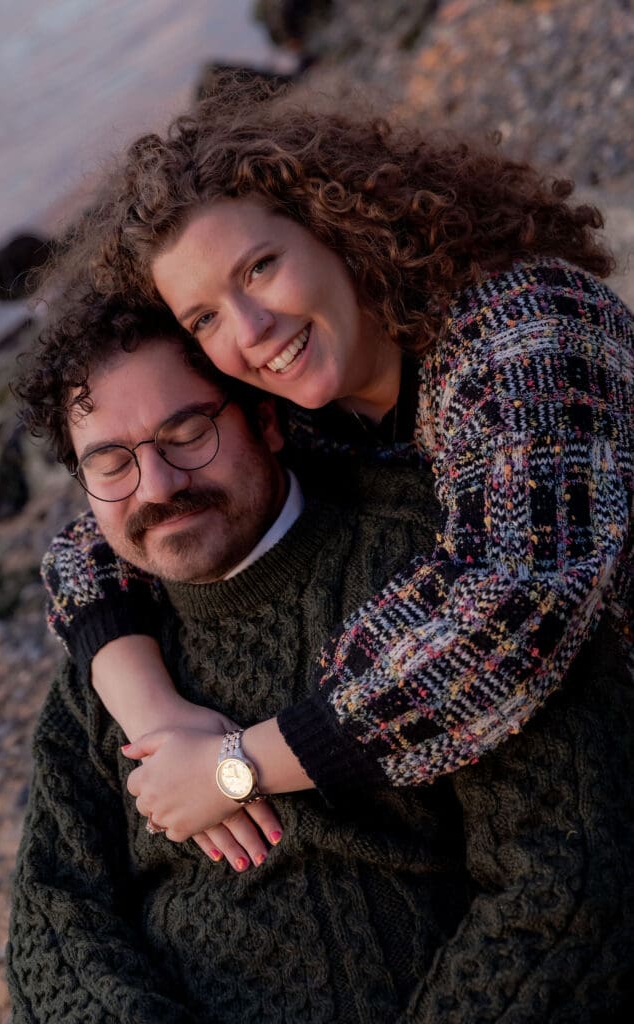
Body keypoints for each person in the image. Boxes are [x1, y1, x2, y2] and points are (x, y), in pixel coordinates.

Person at [37, 80, 633, 845]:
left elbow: (504, 618)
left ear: (336, 226)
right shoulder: (296, 402)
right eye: (205, 317)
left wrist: (231, 767)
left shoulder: (523, 330)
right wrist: (154, 710)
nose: (252, 329)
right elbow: (101, 536)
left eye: (259, 268)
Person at [8, 301, 634, 1022]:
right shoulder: (110, 664)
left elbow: (568, 879)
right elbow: (53, 923)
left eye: (186, 434)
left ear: (267, 422)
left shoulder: (439, 577)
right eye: (110, 463)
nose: (157, 485)